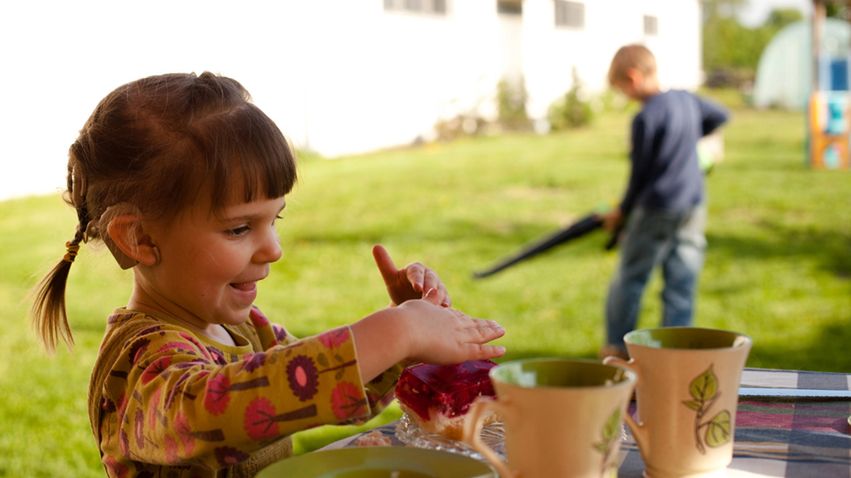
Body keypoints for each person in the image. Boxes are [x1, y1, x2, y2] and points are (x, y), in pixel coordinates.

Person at [30, 72, 506, 477]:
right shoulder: (143, 362)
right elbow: (215, 408)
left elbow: (316, 390)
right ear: (139, 239)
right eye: (239, 227)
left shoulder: (243, 329)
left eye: (273, 220)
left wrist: (408, 337)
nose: (273, 249)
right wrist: (395, 332)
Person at [600, 45, 729, 359]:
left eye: (622, 89)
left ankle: (616, 347)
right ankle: (676, 351)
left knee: (631, 276)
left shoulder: (645, 118)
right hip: (693, 205)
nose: (625, 96)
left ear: (633, 77)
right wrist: (693, 135)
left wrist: (623, 211)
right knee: (681, 279)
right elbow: (722, 114)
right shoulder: (687, 100)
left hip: (656, 207)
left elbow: (639, 176)